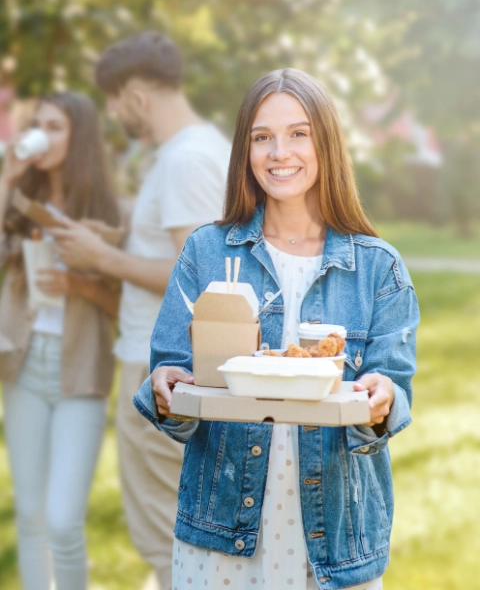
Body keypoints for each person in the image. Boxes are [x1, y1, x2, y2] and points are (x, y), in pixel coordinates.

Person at [133, 68, 420, 590]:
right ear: (245, 150)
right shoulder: (206, 252)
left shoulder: (379, 268)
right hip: (219, 536)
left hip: (334, 540)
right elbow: (168, 378)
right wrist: (167, 388)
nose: (278, 152)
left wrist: (380, 401)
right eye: (261, 137)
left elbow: (394, 391)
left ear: (326, 143)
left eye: (298, 133)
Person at [50, 31, 231, 589]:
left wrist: (103, 255)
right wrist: (118, 239)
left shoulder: (185, 160)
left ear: (136, 96)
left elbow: (201, 283)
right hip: (167, 369)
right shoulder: (194, 152)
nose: (112, 113)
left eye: (112, 100)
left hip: (161, 371)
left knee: (168, 540)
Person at [0, 91, 122, 590]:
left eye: (56, 127)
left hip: (81, 372)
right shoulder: (19, 203)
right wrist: (7, 176)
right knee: (29, 515)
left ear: (81, 138)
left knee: (62, 520)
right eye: (39, 125)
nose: (43, 137)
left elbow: (126, 307)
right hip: (23, 366)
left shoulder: (112, 214)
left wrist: (80, 284)